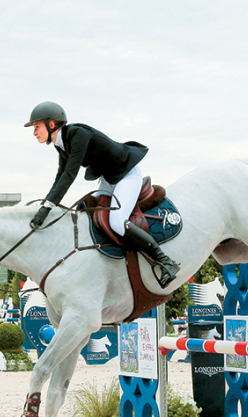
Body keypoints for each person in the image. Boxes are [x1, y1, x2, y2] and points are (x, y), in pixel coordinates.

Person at [25, 101, 180, 288]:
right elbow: (60, 176)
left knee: (116, 221)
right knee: (89, 214)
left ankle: (165, 261)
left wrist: (47, 208)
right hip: (109, 178)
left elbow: (69, 174)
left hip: (127, 174)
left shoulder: (77, 134)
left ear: (51, 125)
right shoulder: (61, 143)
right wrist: (45, 206)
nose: (34, 132)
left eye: (36, 127)